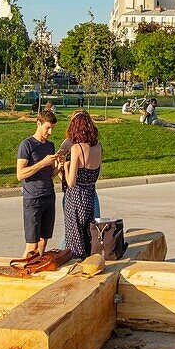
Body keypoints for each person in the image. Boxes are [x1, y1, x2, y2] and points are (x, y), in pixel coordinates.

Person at [16, 110, 61, 259]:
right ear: (38, 123)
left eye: (52, 128)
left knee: (43, 242)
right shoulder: (27, 145)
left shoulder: (50, 145)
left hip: (49, 196)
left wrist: (59, 166)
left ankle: (38, 270)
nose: (50, 132)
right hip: (33, 200)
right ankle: (24, 272)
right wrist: (42, 163)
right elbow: (20, 174)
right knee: (32, 245)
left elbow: (50, 175)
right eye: (47, 127)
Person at [62, 110, 102, 258]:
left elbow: (71, 182)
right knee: (87, 235)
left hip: (76, 198)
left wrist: (66, 167)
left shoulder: (77, 149)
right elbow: (97, 174)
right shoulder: (98, 147)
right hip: (90, 196)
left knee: (75, 236)